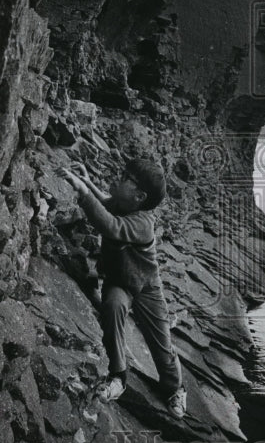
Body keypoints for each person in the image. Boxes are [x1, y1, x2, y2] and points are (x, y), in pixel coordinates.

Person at [59, 159, 187, 419]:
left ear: (139, 197)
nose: (119, 177)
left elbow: (111, 225)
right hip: (120, 282)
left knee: (161, 343)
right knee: (113, 307)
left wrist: (83, 193)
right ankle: (118, 376)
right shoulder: (122, 203)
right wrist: (87, 181)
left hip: (147, 287)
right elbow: (107, 204)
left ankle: (175, 388)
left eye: (126, 177)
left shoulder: (142, 223)